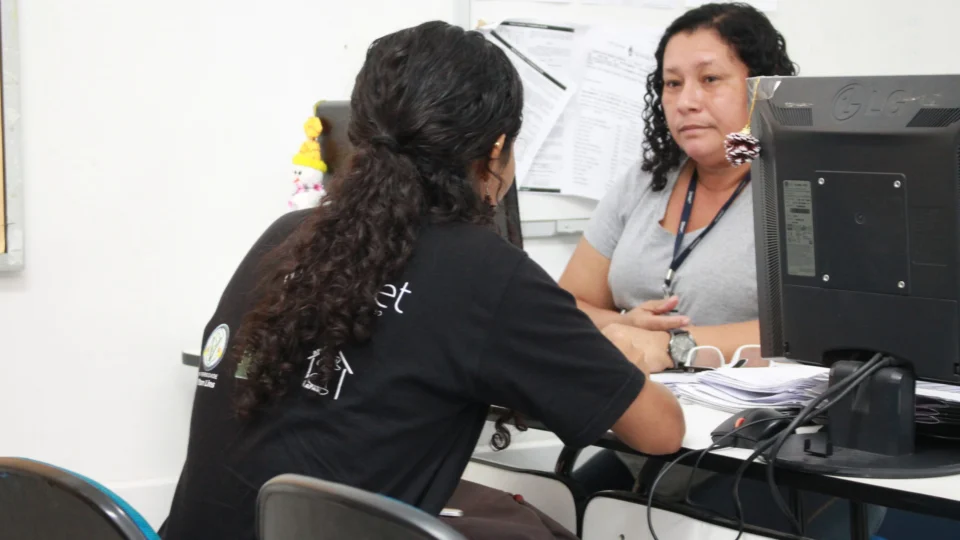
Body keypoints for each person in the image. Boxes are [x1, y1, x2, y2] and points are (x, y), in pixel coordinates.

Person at [157, 20, 685, 540]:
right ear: (496, 150)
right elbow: (661, 431)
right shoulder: (483, 272)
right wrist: (637, 349)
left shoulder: (288, 235)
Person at [558, 3, 885, 538]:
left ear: (760, 88)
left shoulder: (803, 180)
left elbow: (837, 337)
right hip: (650, 433)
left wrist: (678, 346)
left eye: (711, 80)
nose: (687, 101)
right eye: (671, 83)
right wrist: (621, 328)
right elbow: (568, 301)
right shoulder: (648, 181)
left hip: (767, 453)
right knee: (561, 511)